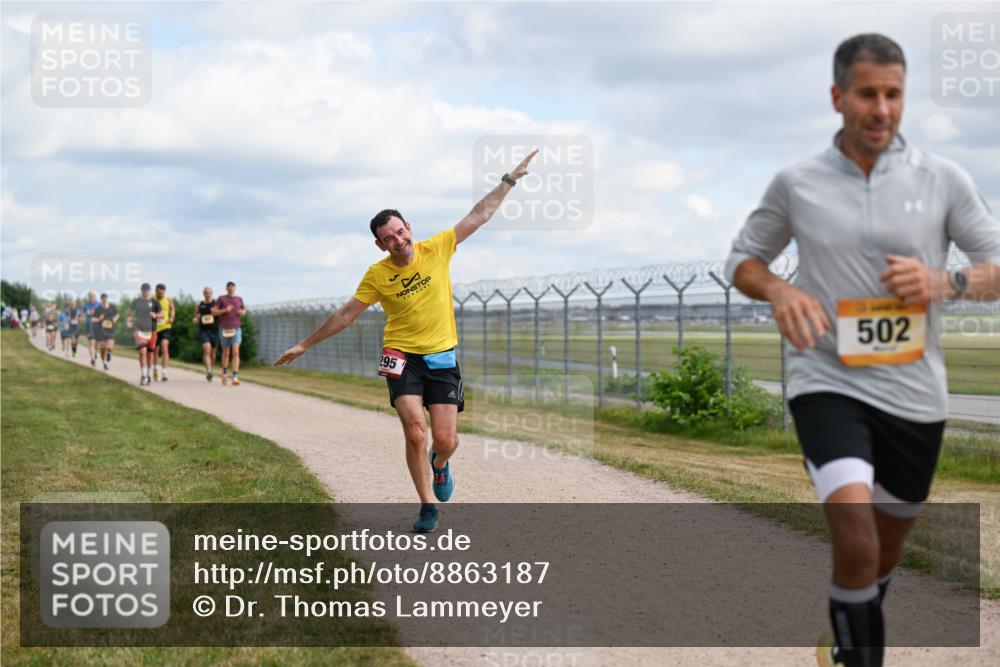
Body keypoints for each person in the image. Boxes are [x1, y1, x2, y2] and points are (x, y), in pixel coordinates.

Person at [724, 34, 1000, 667]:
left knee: (881, 551)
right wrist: (779, 288)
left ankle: (851, 622)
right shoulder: (798, 182)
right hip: (827, 376)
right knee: (853, 531)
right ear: (838, 97)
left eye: (894, 94)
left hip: (914, 391)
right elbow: (743, 260)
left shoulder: (943, 179)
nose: (881, 108)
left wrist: (944, 281)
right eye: (868, 94)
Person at [275, 148, 538, 533]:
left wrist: (509, 180)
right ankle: (426, 505)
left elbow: (479, 215)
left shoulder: (438, 248)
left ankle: (441, 464)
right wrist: (304, 344)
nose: (397, 240)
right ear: (380, 246)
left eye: (400, 232)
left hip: (441, 355)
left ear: (409, 229)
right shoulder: (377, 275)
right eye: (388, 238)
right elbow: (346, 314)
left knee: (446, 440)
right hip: (400, 355)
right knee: (416, 430)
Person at [126, 283, 163, 386]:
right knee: (142, 352)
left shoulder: (155, 302)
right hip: (139, 330)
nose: (145, 292)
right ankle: (143, 375)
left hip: (152, 330)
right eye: (144, 290)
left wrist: (155, 315)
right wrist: (128, 321)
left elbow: (162, 314)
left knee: (150, 353)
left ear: (150, 291)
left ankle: (148, 374)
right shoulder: (136, 301)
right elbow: (128, 313)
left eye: (147, 290)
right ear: (141, 291)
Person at [215, 281, 246, 386]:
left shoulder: (239, 299)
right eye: (229, 287)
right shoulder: (221, 299)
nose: (231, 289)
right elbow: (214, 311)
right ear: (226, 288)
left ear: (235, 288)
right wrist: (225, 310)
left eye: (233, 287)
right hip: (224, 328)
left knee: (236, 352)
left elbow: (244, 310)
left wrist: (242, 312)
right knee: (226, 352)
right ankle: (224, 372)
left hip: (236, 328)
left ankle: (235, 376)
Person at [193, 286, 222, 381]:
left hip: (214, 331)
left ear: (212, 294)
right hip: (204, 330)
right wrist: (196, 318)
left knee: (213, 353)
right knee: (206, 349)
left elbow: (219, 313)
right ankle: (209, 370)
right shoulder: (199, 305)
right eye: (206, 292)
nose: (208, 294)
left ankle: (210, 368)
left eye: (209, 292)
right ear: (203, 294)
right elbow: (197, 314)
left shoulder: (216, 304)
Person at [153, 283, 175, 382]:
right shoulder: (151, 299)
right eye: (159, 292)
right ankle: (155, 368)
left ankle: (164, 372)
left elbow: (172, 309)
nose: (160, 294)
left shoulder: (168, 299)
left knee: (165, 348)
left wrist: (171, 317)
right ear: (156, 291)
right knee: (155, 350)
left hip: (165, 326)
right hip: (153, 328)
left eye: (162, 292)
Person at [92, 293, 119, 370]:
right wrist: (99, 319)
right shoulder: (98, 309)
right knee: (103, 349)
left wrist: (115, 319)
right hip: (101, 331)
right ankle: (105, 363)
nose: (104, 299)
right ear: (101, 299)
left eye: (106, 298)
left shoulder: (112, 307)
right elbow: (93, 320)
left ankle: (109, 353)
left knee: (109, 347)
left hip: (111, 330)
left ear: (107, 298)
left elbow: (117, 315)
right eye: (103, 298)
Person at [82, 290, 101, 367]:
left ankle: (95, 352)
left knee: (97, 343)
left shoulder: (99, 304)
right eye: (91, 297)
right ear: (89, 298)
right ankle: (92, 359)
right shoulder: (85, 306)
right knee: (91, 343)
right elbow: (83, 314)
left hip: (98, 326)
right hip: (89, 326)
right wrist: (84, 316)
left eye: (94, 297)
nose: (93, 298)